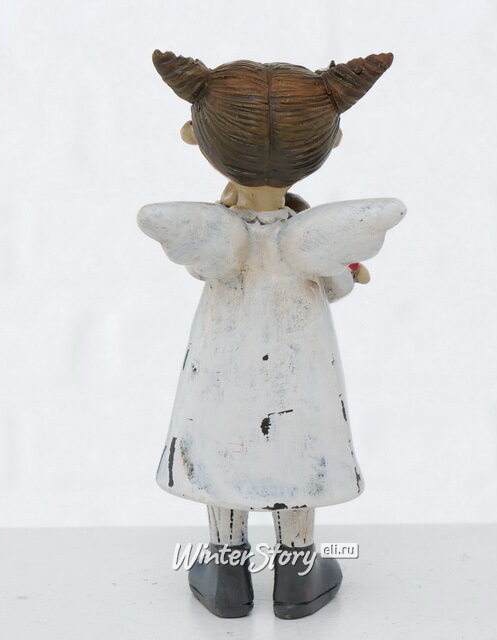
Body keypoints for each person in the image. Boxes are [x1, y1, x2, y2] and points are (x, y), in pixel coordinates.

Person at [138, 49, 406, 619]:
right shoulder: (308, 236)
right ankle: (298, 571)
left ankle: (226, 570)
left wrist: (230, 209)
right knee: (298, 443)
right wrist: (347, 271)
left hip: (222, 355)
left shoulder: (219, 234)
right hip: (301, 360)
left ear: (195, 136)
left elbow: (203, 264)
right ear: (331, 142)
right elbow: (335, 285)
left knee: (222, 437)